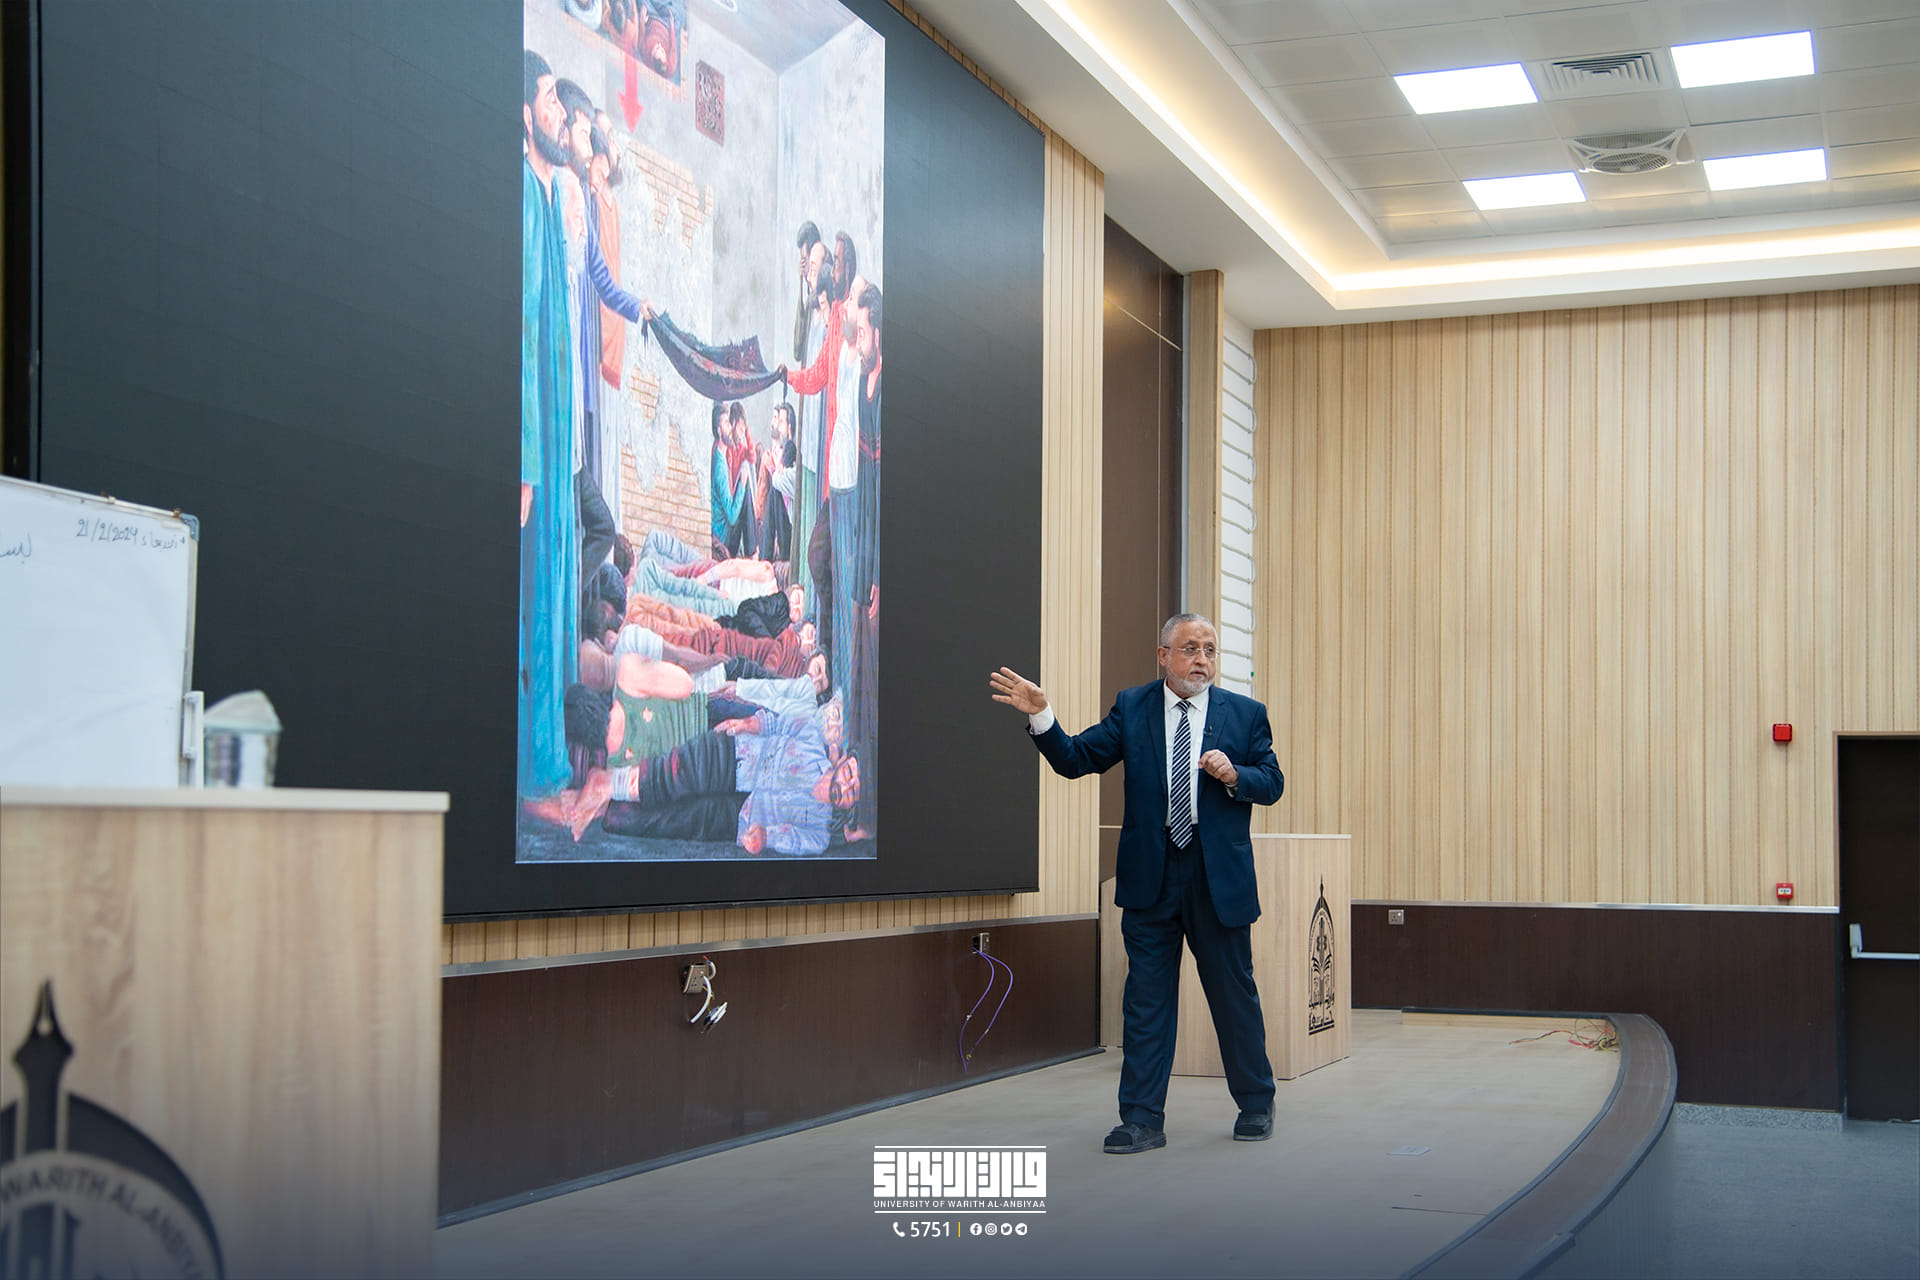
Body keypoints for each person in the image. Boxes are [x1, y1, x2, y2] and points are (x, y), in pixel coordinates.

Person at [989, 614, 1285, 1154]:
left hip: (1217, 879)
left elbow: (1272, 782)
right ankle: (1142, 1119)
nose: (1202, 660)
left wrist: (1235, 775)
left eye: (1210, 650)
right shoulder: (1133, 707)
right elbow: (1076, 759)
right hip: (1152, 877)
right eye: (1190, 648)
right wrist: (1042, 716)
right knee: (1146, 1002)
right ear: (1163, 655)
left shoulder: (1246, 714)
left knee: (1232, 996)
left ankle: (1256, 1103)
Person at [520, 50, 581, 801]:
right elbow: (525, 337)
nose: (561, 112)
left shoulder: (551, 194)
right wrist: (528, 462)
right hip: (537, 442)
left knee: (557, 592)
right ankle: (537, 767)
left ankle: (552, 754)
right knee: (536, 601)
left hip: (556, 439)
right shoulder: (525, 194)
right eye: (548, 101)